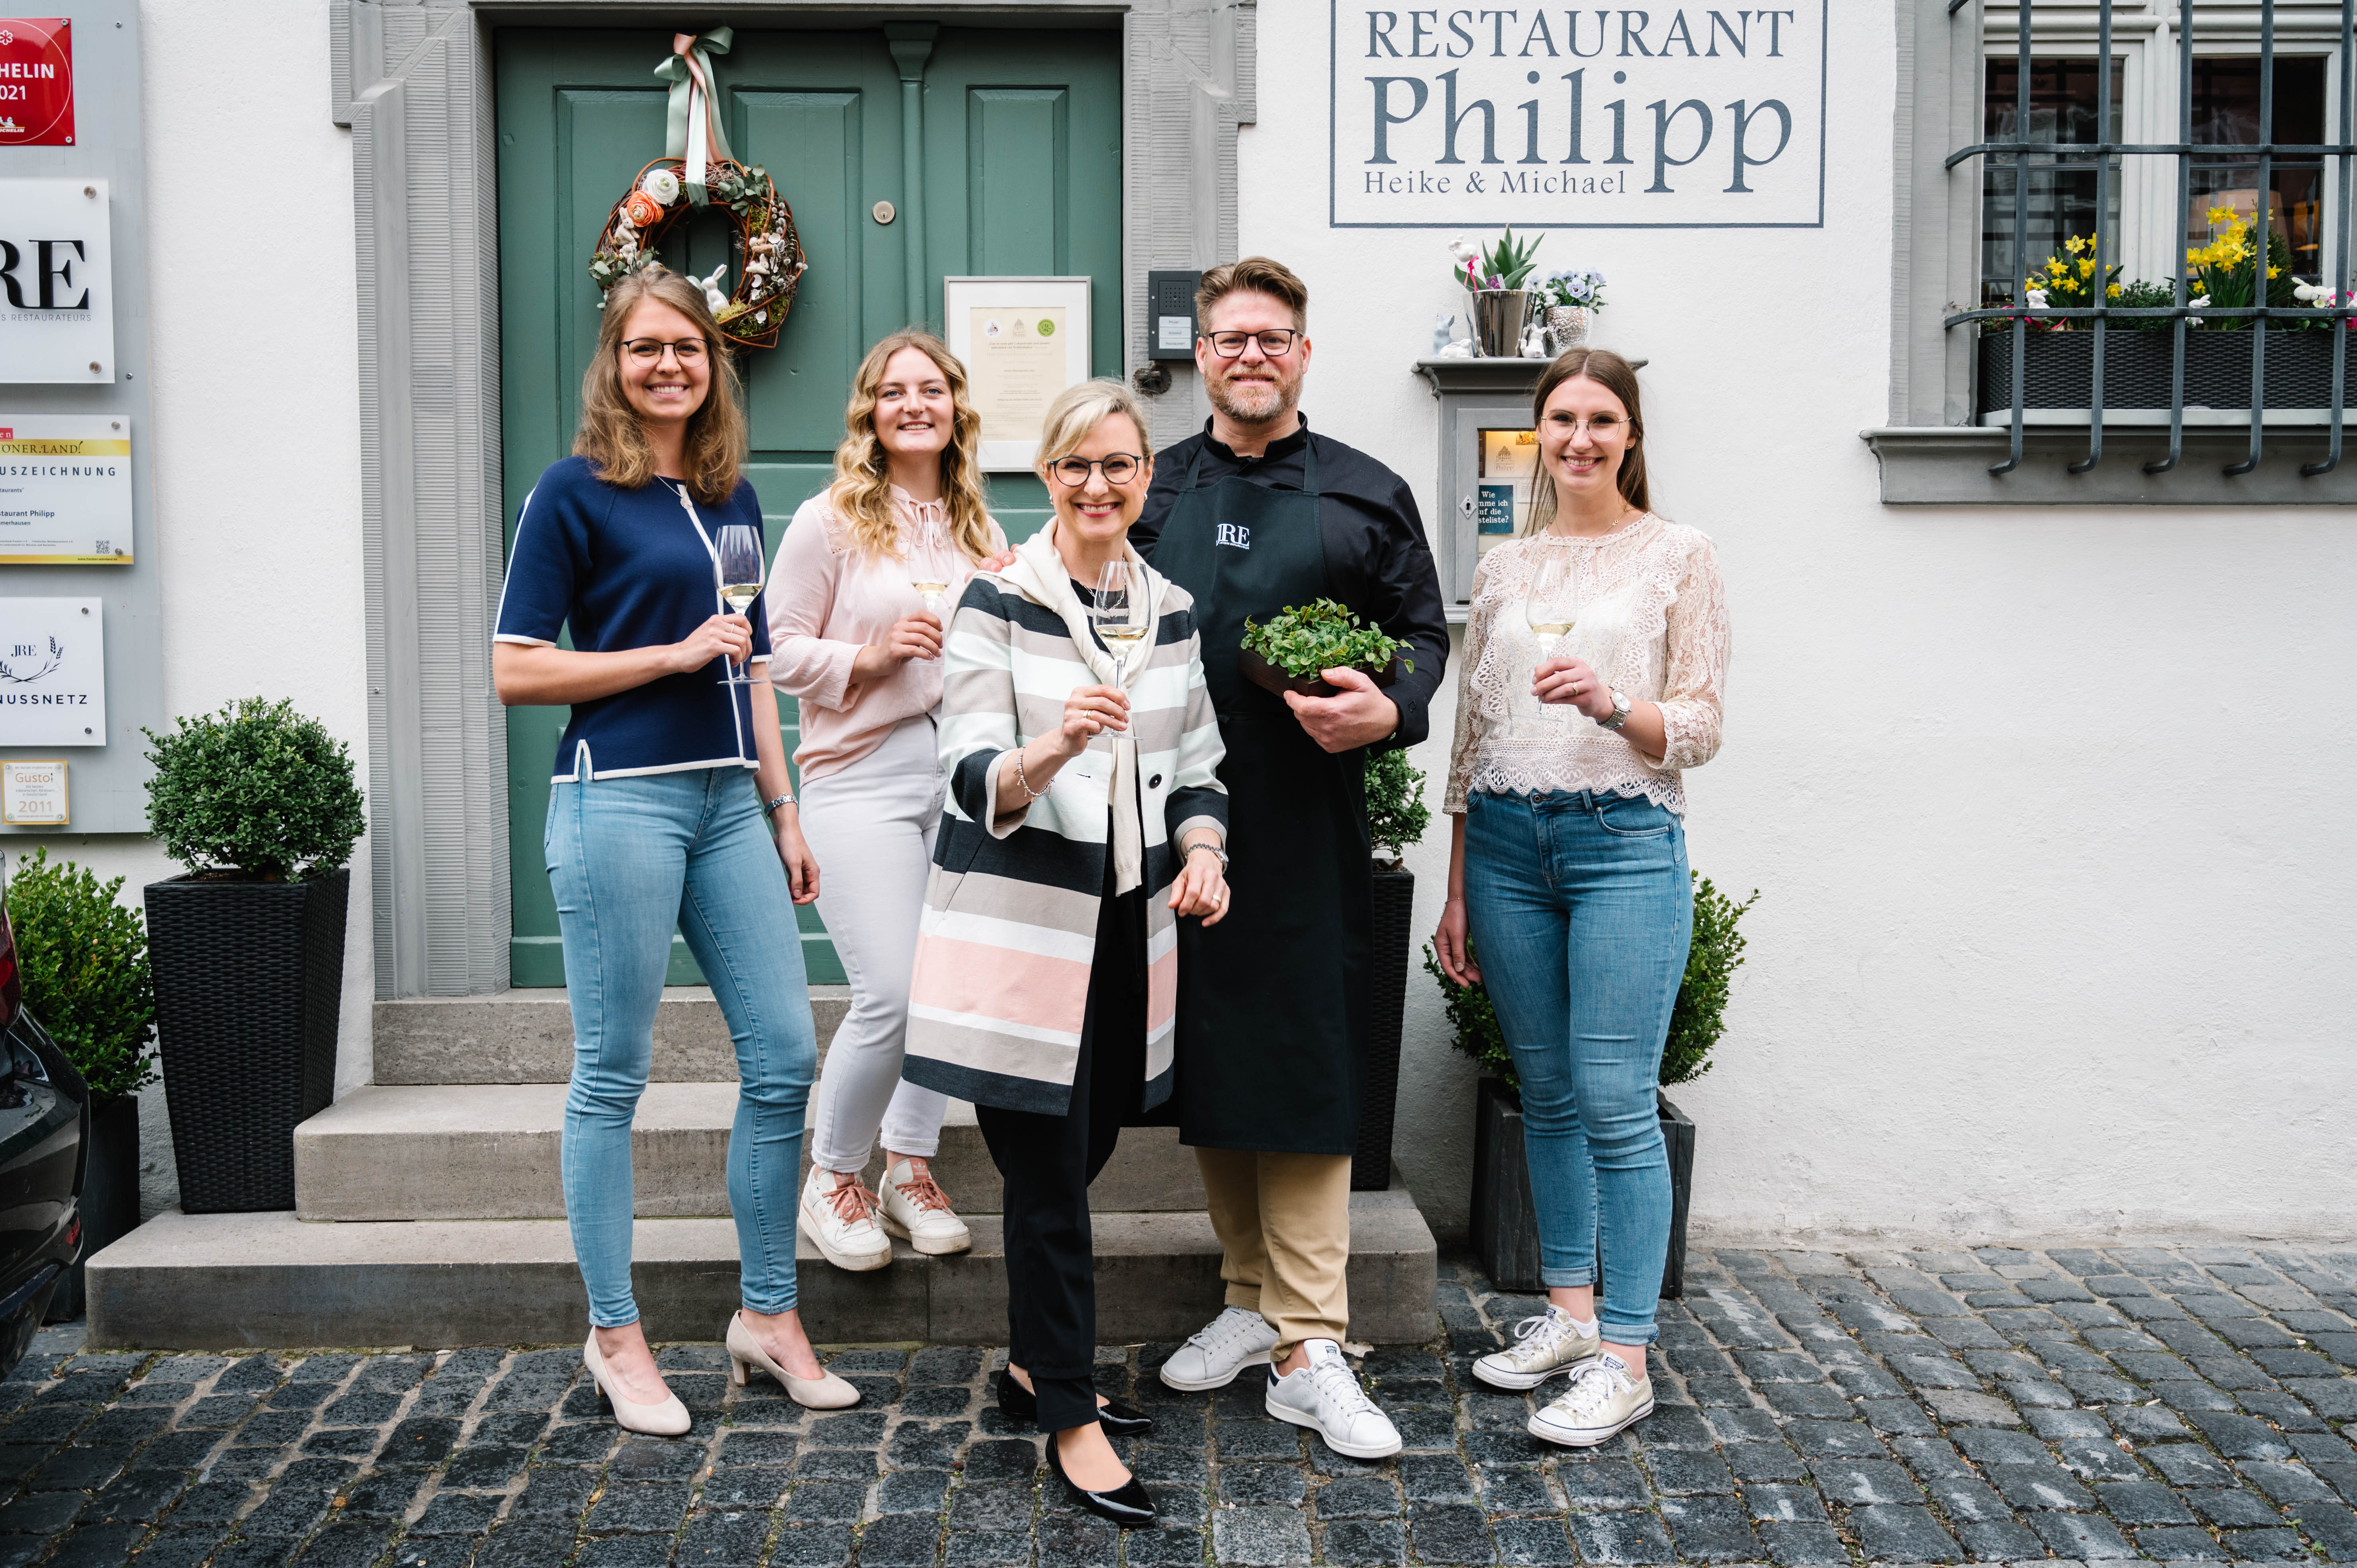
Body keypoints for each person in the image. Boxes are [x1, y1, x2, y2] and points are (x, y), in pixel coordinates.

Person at [492, 265, 857, 1434]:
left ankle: (766, 1315)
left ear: (713, 365)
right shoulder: (572, 494)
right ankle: (615, 1333)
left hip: (727, 806)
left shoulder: (732, 493)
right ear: (616, 362)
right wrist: (661, 657)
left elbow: (746, 663)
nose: (668, 366)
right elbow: (515, 666)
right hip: (621, 801)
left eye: (688, 350)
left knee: (787, 1056)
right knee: (614, 1073)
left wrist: (784, 806)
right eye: (646, 348)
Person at [1133, 257, 1449, 1460]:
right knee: (1212, 1056)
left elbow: (1422, 639)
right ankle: (1246, 1298)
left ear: (1303, 354)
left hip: (1311, 817)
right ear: (1202, 354)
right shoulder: (1153, 488)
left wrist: (1391, 708)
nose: (1251, 354)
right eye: (1229, 338)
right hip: (1177, 815)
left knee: (1308, 1059)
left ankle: (1312, 1340)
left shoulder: (1367, 494)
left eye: (1273, 337)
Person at [901, 379, 1231, 1526]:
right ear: (1044, 476)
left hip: (1128, 933)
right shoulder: (997, 598)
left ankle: (1036, 1362)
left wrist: (1204, 850)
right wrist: (1049, 751)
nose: (1099, 485)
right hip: (1020, 933)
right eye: (1077, 466)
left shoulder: (1172, 609)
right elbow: (967, 767)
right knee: (1047, 1185)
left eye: (1120, 466)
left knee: (1083, 1149)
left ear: (1147, 480)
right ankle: (1072, 1420)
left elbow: (1198, 760)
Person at [1432, 348, 1729, 1448]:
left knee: (1615, 1099)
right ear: (1538, 434)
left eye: (1602, 419)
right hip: (1507, 846)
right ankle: (1564, 1315)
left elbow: (1699, 722)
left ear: (1631, 435)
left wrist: (1612, 705)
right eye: (1562, 419)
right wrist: (1457, 886)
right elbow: (1471, 738)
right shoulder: (1506, 566)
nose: (1581, 439)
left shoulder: (1677, 555)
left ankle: (1626, 1355)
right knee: (1545, 1093)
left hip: (1621, 842)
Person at [766, 331, 1010, 1274]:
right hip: (856, 777)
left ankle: (909, 1169)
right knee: (894, 992)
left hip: (955, 779)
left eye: (932, 390)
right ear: (869, 411)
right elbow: (777, 651)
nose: (915, 405)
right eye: (894, 392)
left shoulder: (976, 528)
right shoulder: (828, 521)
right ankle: (832, 1180)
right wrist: (870, 657)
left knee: (947, 995)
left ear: (955, 408)